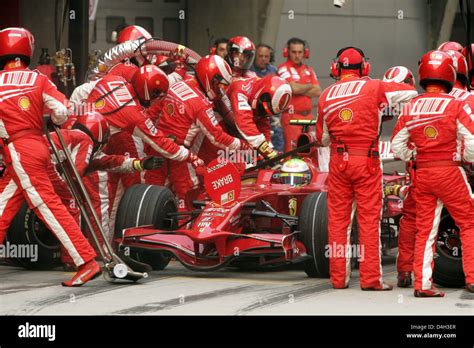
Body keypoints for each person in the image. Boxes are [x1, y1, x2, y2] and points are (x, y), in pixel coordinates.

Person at [0, 27, 100, 287]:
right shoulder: (39, 79)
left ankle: (86, 261)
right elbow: (63, 111)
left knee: (47, 206)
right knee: (2, 206)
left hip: (18, 151)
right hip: (40, 146)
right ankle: (84, 256)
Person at [316, 46, 417, 290]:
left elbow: (323, 139)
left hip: (339, 163)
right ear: (364, 68)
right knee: (369, 220)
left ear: (336, 69)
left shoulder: (325, 95)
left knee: (338, 223)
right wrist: (381, 104)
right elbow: (410, 92)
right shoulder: (375, 87)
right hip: (367, 161)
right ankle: (371, 280)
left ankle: (339, 279)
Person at [391, 50, 474, 297]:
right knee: (469, 222)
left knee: (425, 229)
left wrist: (416, 156)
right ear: (449, 74)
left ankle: (423, 284)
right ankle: (472, 278)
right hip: (450, 172)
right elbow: (471, 142)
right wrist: (463, 158)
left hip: (423, 175)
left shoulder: (411, 106)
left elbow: (397, 145)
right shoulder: (457, 104)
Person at [87, 65, 203, 229]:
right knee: (98, 210)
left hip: (69, 139)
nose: (158, 101)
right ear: (151, 93)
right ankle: (99, 254)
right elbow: (161, 143)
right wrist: (191, 156)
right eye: (158, 96)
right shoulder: (134, 115)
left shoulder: (112, 80)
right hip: (87, 153)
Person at [157, 55, 250, 210]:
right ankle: (184, 229)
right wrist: (244, 145)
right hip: (178, 153)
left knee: (159, 192)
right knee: (189, 193)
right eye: (220, 86)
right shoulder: (201, 104)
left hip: (159, 145)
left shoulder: (181, 85)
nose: (220, 91)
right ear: (211, 79)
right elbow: (218, 138)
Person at [382, 66, 418, 287]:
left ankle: (405, 271)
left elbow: (397, 146)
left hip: (421, 172)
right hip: (444, 172)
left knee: (412, 221)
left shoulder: (408, 110)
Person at [227, 75, 292, 160]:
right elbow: (244, 122)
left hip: (235, 127)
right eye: (264, 110)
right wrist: (267, 152)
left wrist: (269, 147)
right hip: (220, 124)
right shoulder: (240, 89)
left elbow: (263, 121)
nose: (264, 114)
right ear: (263, 96)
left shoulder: (262, 93)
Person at [278, 37, 321, 152]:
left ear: (305, 53)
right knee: (292, 153)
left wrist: (299, 88)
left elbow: (318, 91)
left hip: (308, 118)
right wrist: (308, 86)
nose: (297, 55)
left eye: (300, 52)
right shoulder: (283, 69)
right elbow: (292, 88)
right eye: (293, 52)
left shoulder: (309, 70)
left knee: (310, 152)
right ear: (287, 52)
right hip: (291, 118)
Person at [251, 44, 283, 152]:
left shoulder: (274, 70)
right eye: (260, 56)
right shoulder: (249, 70)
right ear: (255, 56)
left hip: (272, 113)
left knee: (277, 139)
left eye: (266, 56)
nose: (263, 59)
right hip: (255, 112)